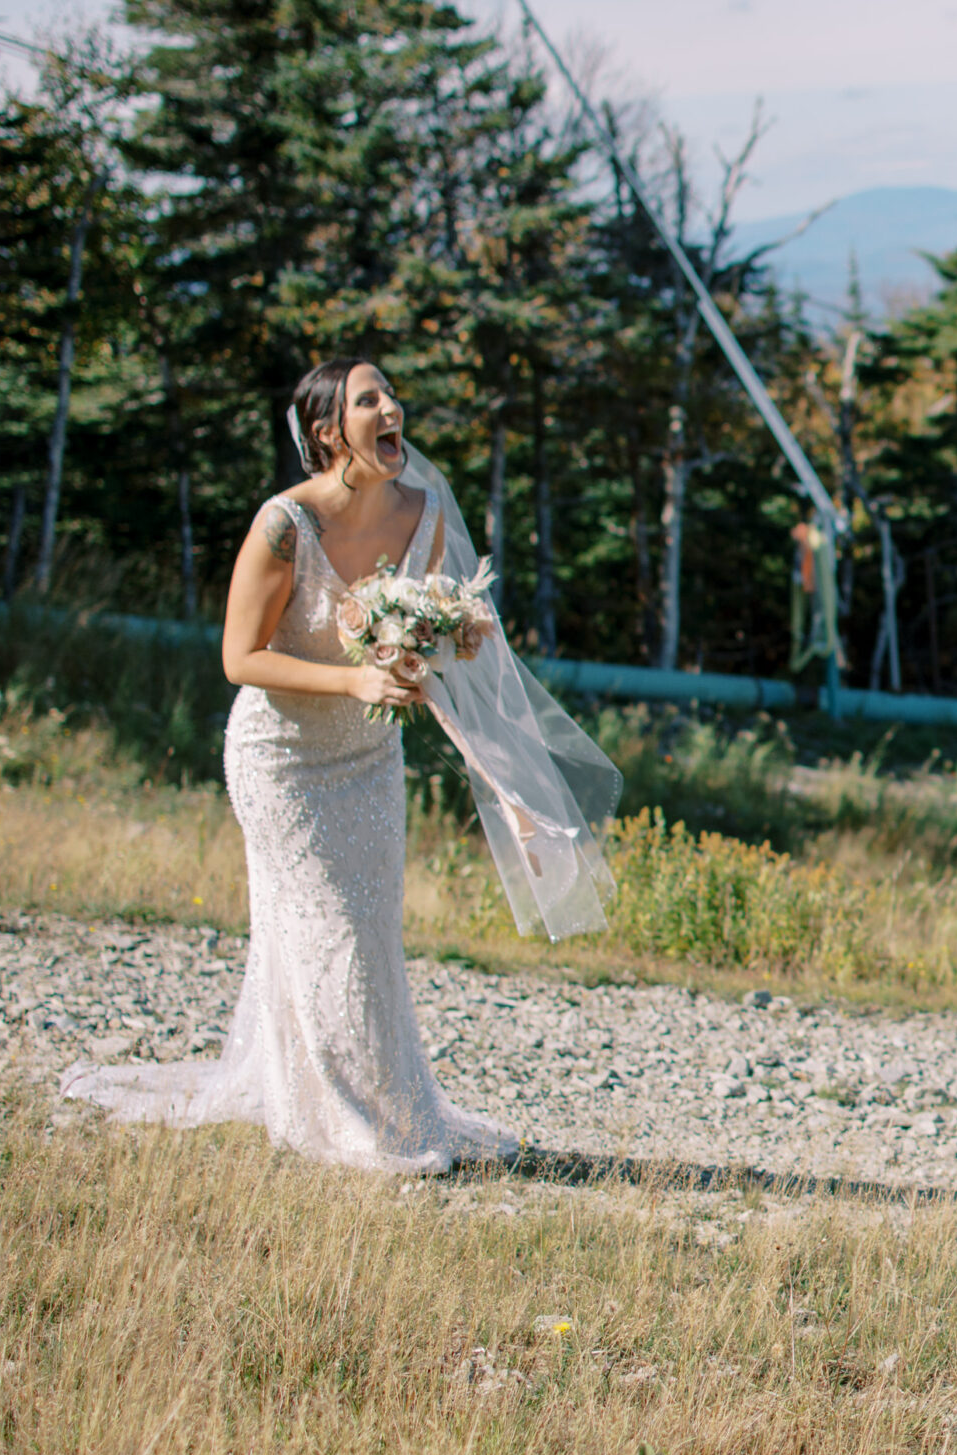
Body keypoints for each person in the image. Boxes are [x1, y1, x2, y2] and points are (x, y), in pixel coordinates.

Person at [62, 359, 620, 1173]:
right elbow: (238, 657)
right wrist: (355, 676)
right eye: (370, 400)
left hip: (368, 757)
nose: (392, 408)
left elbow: (442, 673)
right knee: (330, 930)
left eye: (391, 396)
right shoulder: (284, 524)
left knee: (367, 933)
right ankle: (350, 1122)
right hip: (280, 760)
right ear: (328, 432)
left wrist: (512, 795)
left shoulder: (424, 517)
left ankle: (355, 1101)